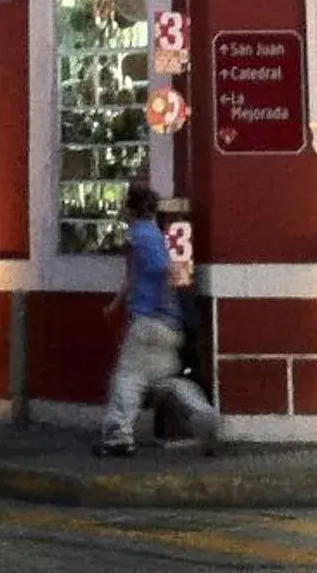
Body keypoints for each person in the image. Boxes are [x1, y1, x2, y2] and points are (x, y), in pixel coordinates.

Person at [96, 182, 218, 457]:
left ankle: (118, 435)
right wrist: (115, 304)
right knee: (167, 379)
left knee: (128, 378)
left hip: (149, 323)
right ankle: (202, 415)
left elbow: (163, 270)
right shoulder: (155, 235)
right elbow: (134, 276)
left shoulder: (140, 236)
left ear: (130, 209)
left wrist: (160, 305)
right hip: (170, 326)